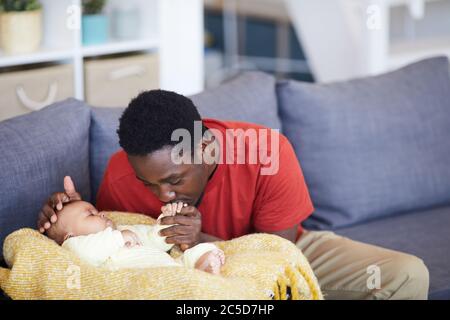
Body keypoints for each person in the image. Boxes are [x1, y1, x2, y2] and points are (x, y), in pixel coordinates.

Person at [38, 90, 429, 299]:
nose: (161, 195)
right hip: (181, 276)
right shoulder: (122, 174)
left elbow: (277, 253)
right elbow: (106, 250)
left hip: (283, 253)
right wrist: (61, 219)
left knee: (405, 275)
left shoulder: (267, 153)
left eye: (175, 179)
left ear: (208, 149)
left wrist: (202, 240)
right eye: (149, 184)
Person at [45, 199, 225, 274]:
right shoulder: (75, 245)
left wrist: (166, 223)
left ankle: (205, 261)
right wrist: (118, 239)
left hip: (169, 265)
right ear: (69, 235)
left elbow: (152, 239)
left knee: (194, 253)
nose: (101, 214)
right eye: (90, 214)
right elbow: (86, 254)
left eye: (98, 211)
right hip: (143, 277)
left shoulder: (123, 230)